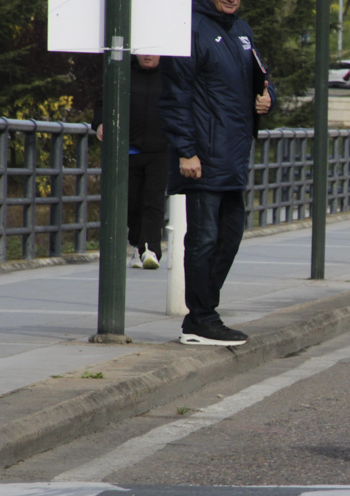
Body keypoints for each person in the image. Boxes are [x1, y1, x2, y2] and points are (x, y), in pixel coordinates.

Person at [159, 0, 276, 346]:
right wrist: (186, 150)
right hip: (203, 158)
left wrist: (268, 97)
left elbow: (261, 78)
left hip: (234, 157)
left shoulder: (242, 31)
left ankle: (200, 316)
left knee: (230, 237)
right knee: (203, 240)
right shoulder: (189, 28)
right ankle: (203, 318)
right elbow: (174, 96)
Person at [93, 54, 168, 270]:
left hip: (160, 150)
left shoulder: (169, 75)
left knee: (153, 201)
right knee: (132, 202)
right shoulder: (122, 72)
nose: (147, 56)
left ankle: (151, 249)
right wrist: (100, 123)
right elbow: (103, 101)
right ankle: (137, 245)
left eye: (153, 52)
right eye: (143, 51)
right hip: (129, 149)